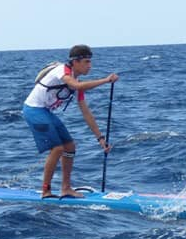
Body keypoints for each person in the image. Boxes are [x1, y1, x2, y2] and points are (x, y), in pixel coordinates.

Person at [22, 44, 119, 199]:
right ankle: (46, 191)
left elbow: (85, 112)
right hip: (33, 110)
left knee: (70, 146)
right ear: (75, 62)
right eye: (87, 62)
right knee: (58, 148)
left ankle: (66, 188)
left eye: (90, 62)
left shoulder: (76, 79)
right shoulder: (63, 71)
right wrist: (106, 80)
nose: (90, 66)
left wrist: (100, 138)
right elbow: (76, 86)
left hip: (45, 112)